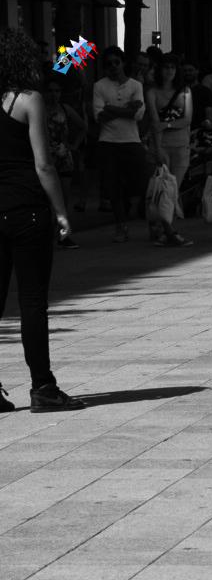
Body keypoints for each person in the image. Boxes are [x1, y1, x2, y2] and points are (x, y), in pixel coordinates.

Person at [0, 28, 86, 412]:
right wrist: (62, 211)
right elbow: (44, 164)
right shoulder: (28, 100)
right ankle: (43, 387)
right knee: (32, 301)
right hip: (26, 207)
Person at [93, 46, 146, 243]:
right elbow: (99, 116)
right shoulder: (99, 86)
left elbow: (138, 114)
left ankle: (146, 218)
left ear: (123, 63)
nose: (113, 66)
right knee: (113, 186)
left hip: (131, 140)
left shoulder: (135, 85)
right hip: (108, 141)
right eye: (109, 64)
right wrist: (126, 109)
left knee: (139, 182)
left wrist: (111, 109)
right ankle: (120, 225)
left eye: (116, 62)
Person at [146, 53, 194, 247]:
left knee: (173, 190)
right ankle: (168, 232)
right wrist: (158, 149)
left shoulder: (185, 91)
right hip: (161, 145)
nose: (169, 71)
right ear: (159, 70)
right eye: (166, 67)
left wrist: (166, 125)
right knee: (163, 190)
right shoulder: (152, 92)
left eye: (173, 67)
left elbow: (187, 120)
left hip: (181, 145)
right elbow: (153, 122)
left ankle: (163, 230)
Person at [44, 76, 86, 249]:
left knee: (64, 198)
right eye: (50, 91)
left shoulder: (65, 108)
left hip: (63, 157)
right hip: (45, 158)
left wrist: (73, 145)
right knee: (46, 199)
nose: (54, 94)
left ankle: (63, 235)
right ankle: (47, 234)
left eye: (57, 91)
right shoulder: (39, 109)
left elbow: (83, 126)